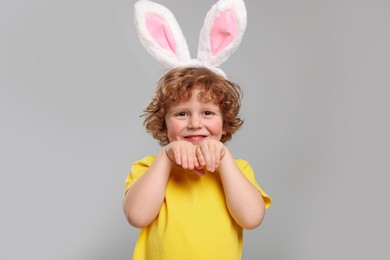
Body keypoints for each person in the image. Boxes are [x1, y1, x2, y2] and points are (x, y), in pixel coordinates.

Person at [123, 67, 271, 260]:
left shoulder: (237, 169)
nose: (194, 124)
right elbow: (137, 217)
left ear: (225, 124)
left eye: (207, 112)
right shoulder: (148, 167)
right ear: (163, 125)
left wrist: (223, 156)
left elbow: (251, 219)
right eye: (182, 114)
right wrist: (165, 157)